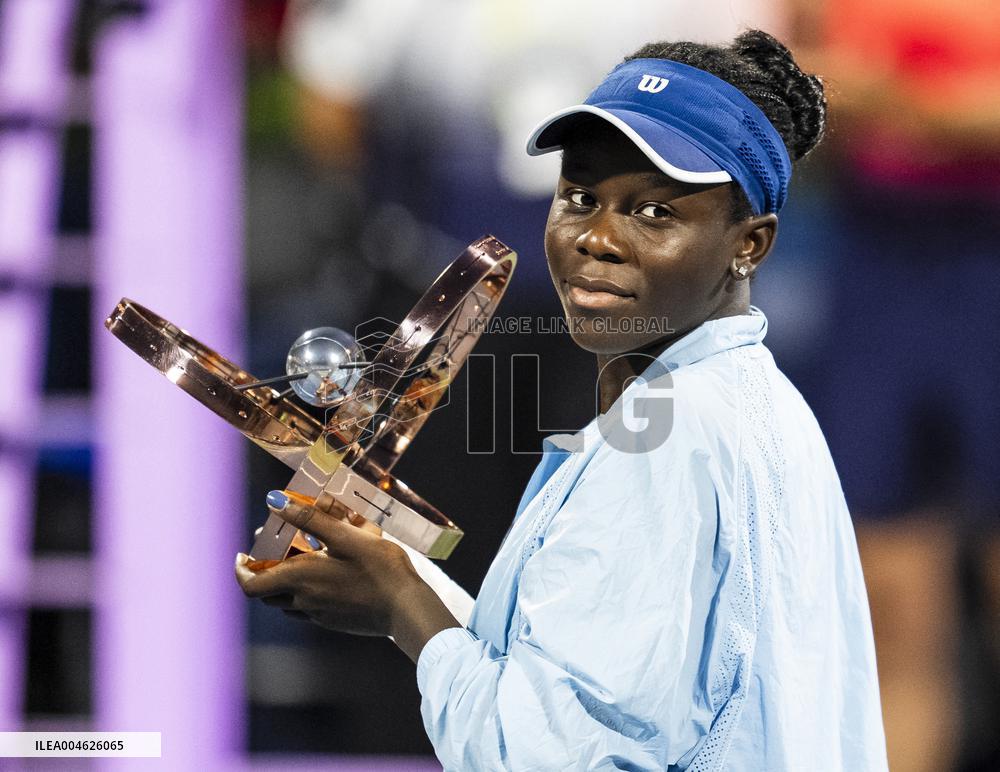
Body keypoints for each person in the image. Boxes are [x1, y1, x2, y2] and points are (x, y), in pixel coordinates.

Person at [236, 29, 889, 770]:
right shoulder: (751, 404)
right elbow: (575, 686)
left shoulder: (668, 438)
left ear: (751, 243)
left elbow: (539, 756)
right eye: (580, 197)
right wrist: (399, 582)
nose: (597, 238)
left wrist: (400, 606)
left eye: (653, 212)